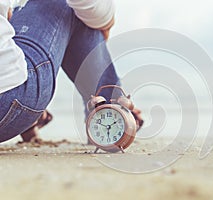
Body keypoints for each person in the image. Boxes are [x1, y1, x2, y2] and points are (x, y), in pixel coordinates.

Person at [0, 0, 143, 143]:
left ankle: (108, 112)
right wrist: (107, 19)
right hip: (8, 103)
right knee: (66, 5)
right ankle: (111, 112)